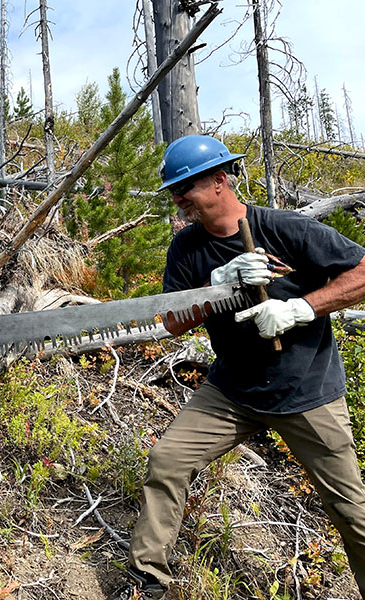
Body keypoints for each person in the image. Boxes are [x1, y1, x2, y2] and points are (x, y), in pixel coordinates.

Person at [109, 135, 365, 599]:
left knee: (352, 512)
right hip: (232, 392)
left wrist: (300, 309)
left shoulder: (284, 228)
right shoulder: (186, 249)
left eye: (185, 187)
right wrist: (214, 287)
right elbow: (170, 323)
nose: (178, 198)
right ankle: (147, 580)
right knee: (167, 460)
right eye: (173, 190)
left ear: (220, 182)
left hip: (306, 390)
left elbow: (363, 272)